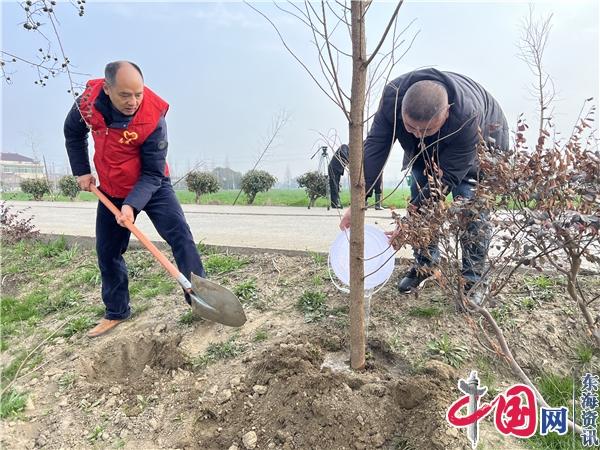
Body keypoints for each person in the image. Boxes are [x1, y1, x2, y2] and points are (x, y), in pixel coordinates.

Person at [339, 68, 508, 304]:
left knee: (472, 206)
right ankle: (425, 265)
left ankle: (473, 279)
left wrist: (411, 222)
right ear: (401, 112)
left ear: (446, 113)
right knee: (418, 187)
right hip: (429, 151)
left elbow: (445, 180)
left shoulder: (468, 116)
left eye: (426, 129)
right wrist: (358, 201)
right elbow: (376, 145)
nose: (417, 135)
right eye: (410, 128)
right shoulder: (392, 98)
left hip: (482, 145)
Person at [64, 61, 206, 337]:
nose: (133, 101)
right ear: (107, 89)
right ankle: (117, 311)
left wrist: (131, 205)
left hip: (152, 185)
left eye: (138, 94)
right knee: (108, 251)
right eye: (125, 95)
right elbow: (72, 133)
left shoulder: (153, 117)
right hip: (111, 187)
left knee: (180, 236)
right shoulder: (87, 105)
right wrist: (81, 170)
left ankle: (200, 300)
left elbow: (153, 172)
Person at [328, 144, 349, 209]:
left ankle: (335, 203)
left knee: (336, 186)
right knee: (334, 186)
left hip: (338, 170)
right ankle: (335, 204)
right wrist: (349, 161)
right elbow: (343, 153)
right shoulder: (344, 146)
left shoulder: (349, 152)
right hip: (333, 168)